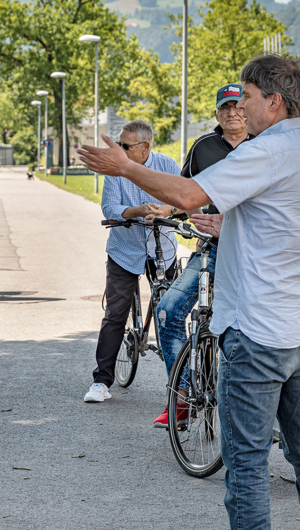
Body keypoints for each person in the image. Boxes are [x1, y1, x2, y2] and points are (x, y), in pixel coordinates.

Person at [79, 54, 300, 529]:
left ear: (274, 101)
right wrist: (232, 224)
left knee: (245, 464)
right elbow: (288, 224)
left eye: (246, 97)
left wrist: (124, 167)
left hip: (259, 331)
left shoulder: (264, 150)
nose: (239, 107)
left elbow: (186, 195)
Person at [152, 83, 255, 428]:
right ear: (216, 114)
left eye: (237, 106)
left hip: (252, 254)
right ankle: (181, 397)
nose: (232, 113)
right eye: (224, 108)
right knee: (167, 312)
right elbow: (185, 193)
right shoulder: (204, 147)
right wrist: (164, 210)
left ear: (248, 108)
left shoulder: (264, 146)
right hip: (210, 248)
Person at [83, 120, 182, 404]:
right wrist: (135, 211)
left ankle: (179, 387)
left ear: (145, 147)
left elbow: (185, 201)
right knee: (115, 313)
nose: (120, 149)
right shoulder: (116, 169)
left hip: (162, 247)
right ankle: (101, 381)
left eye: (125, 146)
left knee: (171, 315)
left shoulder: (168, 165)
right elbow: (109, 206)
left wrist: (167, 209)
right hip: (124, 249)